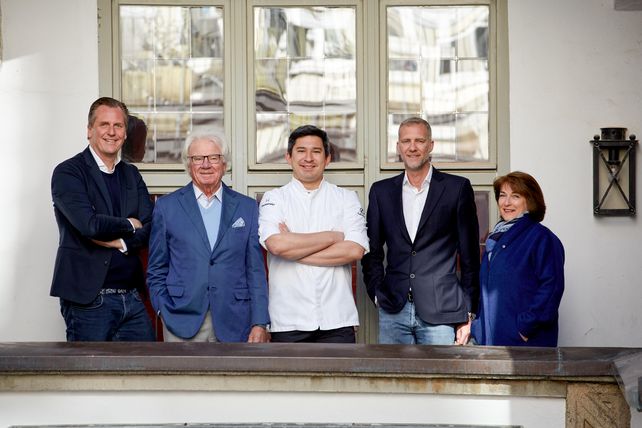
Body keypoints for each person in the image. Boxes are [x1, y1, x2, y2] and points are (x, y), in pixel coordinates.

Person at [362, 117, 480, 345]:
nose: (412, 147)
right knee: (392, 369)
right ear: (398, 147)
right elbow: (371, 250)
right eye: (406, 141)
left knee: (440, 370)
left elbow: (470, 256)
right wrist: (377, 293)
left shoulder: (457, 188)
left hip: (442, 310)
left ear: (431, 145)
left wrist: (468, 311)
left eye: (419, 140)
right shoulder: (381, 192)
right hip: (393, 309)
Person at [147, 134, 270, 343]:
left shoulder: (247, 207)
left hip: (236, 320)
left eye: (213, 158)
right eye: (198, 158)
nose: (206, 164)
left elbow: (255, 271)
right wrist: (163, 310)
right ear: (189, 165)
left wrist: (259, 322)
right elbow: (156, 269)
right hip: (181, 320)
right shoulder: (167, 207)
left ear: (224, 164)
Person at [50, 97, 155, 341]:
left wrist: (121, 242)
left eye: (118, 125)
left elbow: (151, 226)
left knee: (147, 364)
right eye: (104, 124)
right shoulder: (68, 172)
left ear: (125, 134)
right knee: (90, 367)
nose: (111, 132)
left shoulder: (131, 174)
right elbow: (90, 225)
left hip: (131, 296)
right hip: (89, 301)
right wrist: (129, 223)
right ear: (90, 130)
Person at [258, 125, 369, 343]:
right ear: (288, 157)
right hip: (288, 320)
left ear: (327, 159)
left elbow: (354, 250)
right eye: (301, 151)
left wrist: (294, 250)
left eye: (316, 151)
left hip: (337, 320)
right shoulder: (274, 198)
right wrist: (333, 237)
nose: (308, 158)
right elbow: (277, 246)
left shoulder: (346, 198)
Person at [471, 171, 564, 346]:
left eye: (515, 196)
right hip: (491, 342)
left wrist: (525, 326)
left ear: (530, 201)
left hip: (523, 343)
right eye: (502, 195)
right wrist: (478, 327)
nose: (506, 202)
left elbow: (551, 288)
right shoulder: (494, 239)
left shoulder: (541, 238)